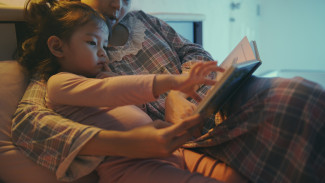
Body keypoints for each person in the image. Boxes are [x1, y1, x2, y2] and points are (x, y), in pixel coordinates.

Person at [12, 0, 325, 182]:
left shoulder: (144, 22)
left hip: (212, 103)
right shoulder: (69, 57)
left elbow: (195, 54)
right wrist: (130, 142)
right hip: (187, 136)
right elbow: (30, 124)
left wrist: (180, 92)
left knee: (300, 94)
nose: (119, 6)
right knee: (294, 105)